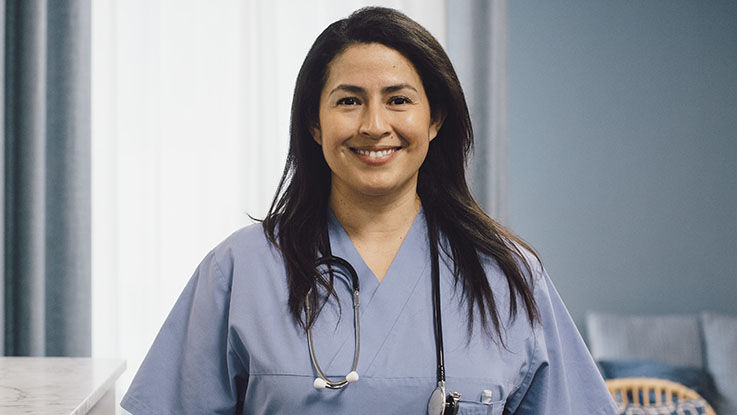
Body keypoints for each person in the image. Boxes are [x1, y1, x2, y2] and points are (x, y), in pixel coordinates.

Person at [121, 7, 617, 415]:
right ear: (315, 124)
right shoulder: (239, 270)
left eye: (398, 99)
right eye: (349, 101)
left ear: (435, 118)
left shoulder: (509, 277)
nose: (374, 125)